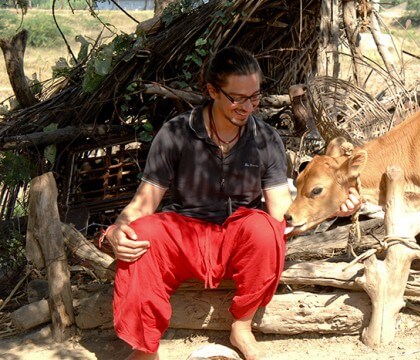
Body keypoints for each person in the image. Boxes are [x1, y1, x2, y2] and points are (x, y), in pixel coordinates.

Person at [103, 46, 360, 360]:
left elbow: (282, 214)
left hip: (238, 237)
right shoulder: (175, 134)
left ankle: (242, 325)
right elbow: (144, 203)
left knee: (265, 227)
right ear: (212, 90)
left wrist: (331, 210)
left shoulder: (266, 139)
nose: (247, 107)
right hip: (186, 235)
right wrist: (118, 229)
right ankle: (145, 347)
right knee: (141, 232)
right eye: (237, 98)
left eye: (254, 97)